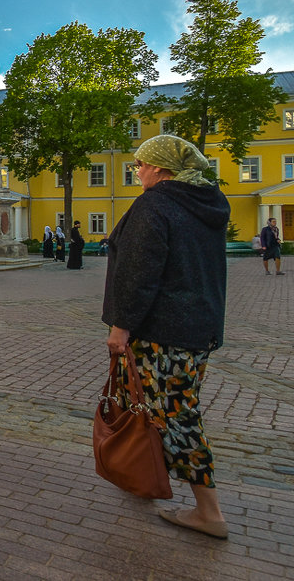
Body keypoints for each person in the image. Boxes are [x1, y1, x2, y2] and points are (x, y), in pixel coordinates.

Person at [103, 134, 230, 539]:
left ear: (160, 168)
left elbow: (140, 273)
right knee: (145, 405)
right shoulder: (205, 205)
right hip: (197, 328)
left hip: (161, 331)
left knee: (177, 415)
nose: (136, 170)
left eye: (141, 164)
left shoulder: (155, 204)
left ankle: (209, 511)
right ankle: (141, 476)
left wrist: (120, 325)